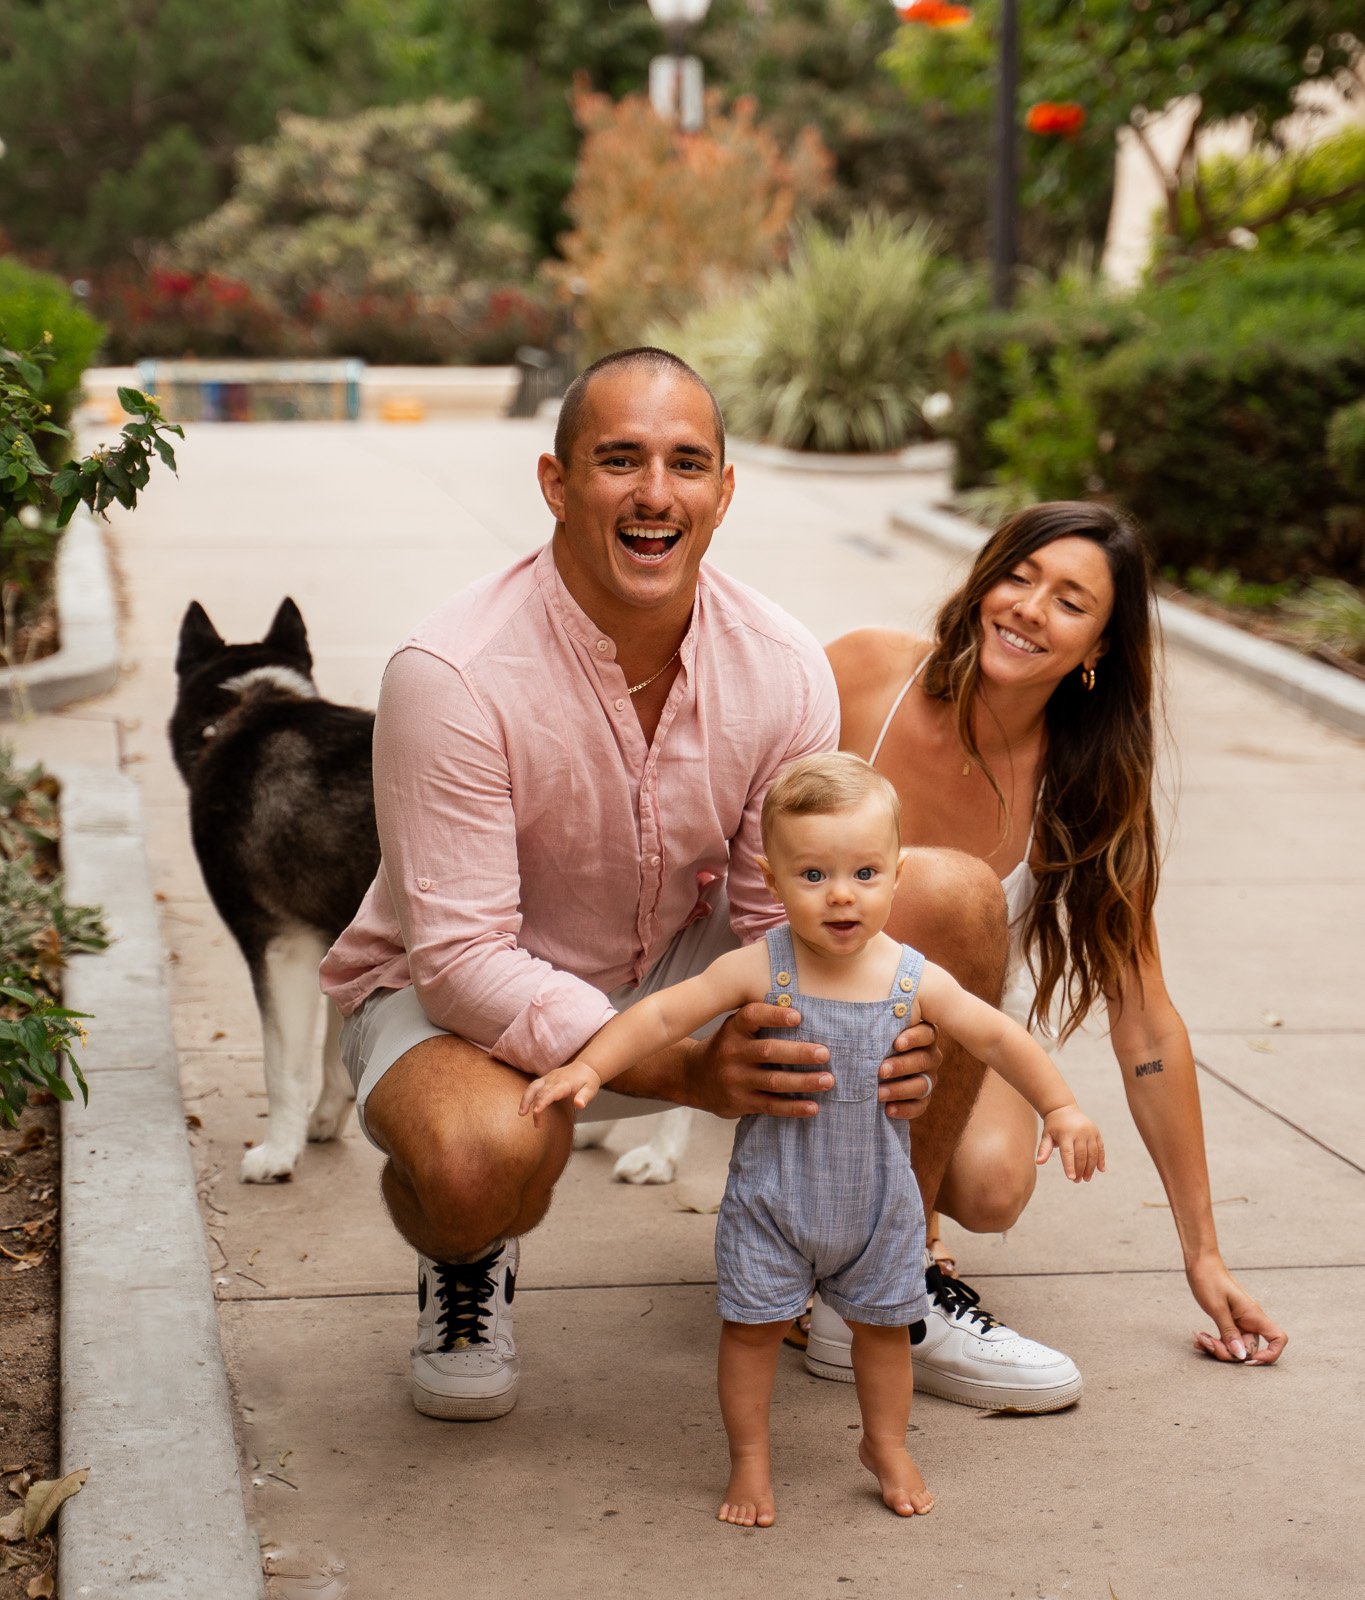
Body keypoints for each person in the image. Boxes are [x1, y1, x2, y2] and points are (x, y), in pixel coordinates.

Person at [319, 347, 1033, 1422]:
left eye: (687, 463)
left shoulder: (780, 661)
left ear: (723, 490)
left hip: (674, 960)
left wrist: (850, 1019)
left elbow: (772, 915)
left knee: (953, 898)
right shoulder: (451, 671)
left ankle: (875, 1281)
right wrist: (691, 1067)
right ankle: (463, 1255)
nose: (656, 493)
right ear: (557, 483)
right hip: (456, 995)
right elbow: (464, 960)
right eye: (620, 459)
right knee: (478, 1165)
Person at [522, 752, 1106, 1527]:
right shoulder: (762, 968)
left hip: (878, 1208)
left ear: (895, 873)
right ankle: (751, 1462)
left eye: (864, 873)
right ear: (770, 877)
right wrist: (589, 1065)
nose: (841, 895)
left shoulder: (910, 977)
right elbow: (666, 1014)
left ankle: (886, 1445)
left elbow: (996, 1037)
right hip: (773, 1203)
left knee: (883, 1335)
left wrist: (1060, 1107)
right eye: (812, 875)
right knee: (750, 1333)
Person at [806, 499, 1287, 1386]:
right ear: (984, 580)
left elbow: (1144, 1024)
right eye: (1018, 577)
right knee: (930, 891)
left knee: (992, 1182)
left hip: (943, 1019)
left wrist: (1202, 1254)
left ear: (1098, 648)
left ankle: (882, 1243)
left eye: (1069, 602)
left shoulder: (1087, 781)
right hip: (802, 989)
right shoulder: (865, 675)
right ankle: (867, 1253)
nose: (1029, 609)